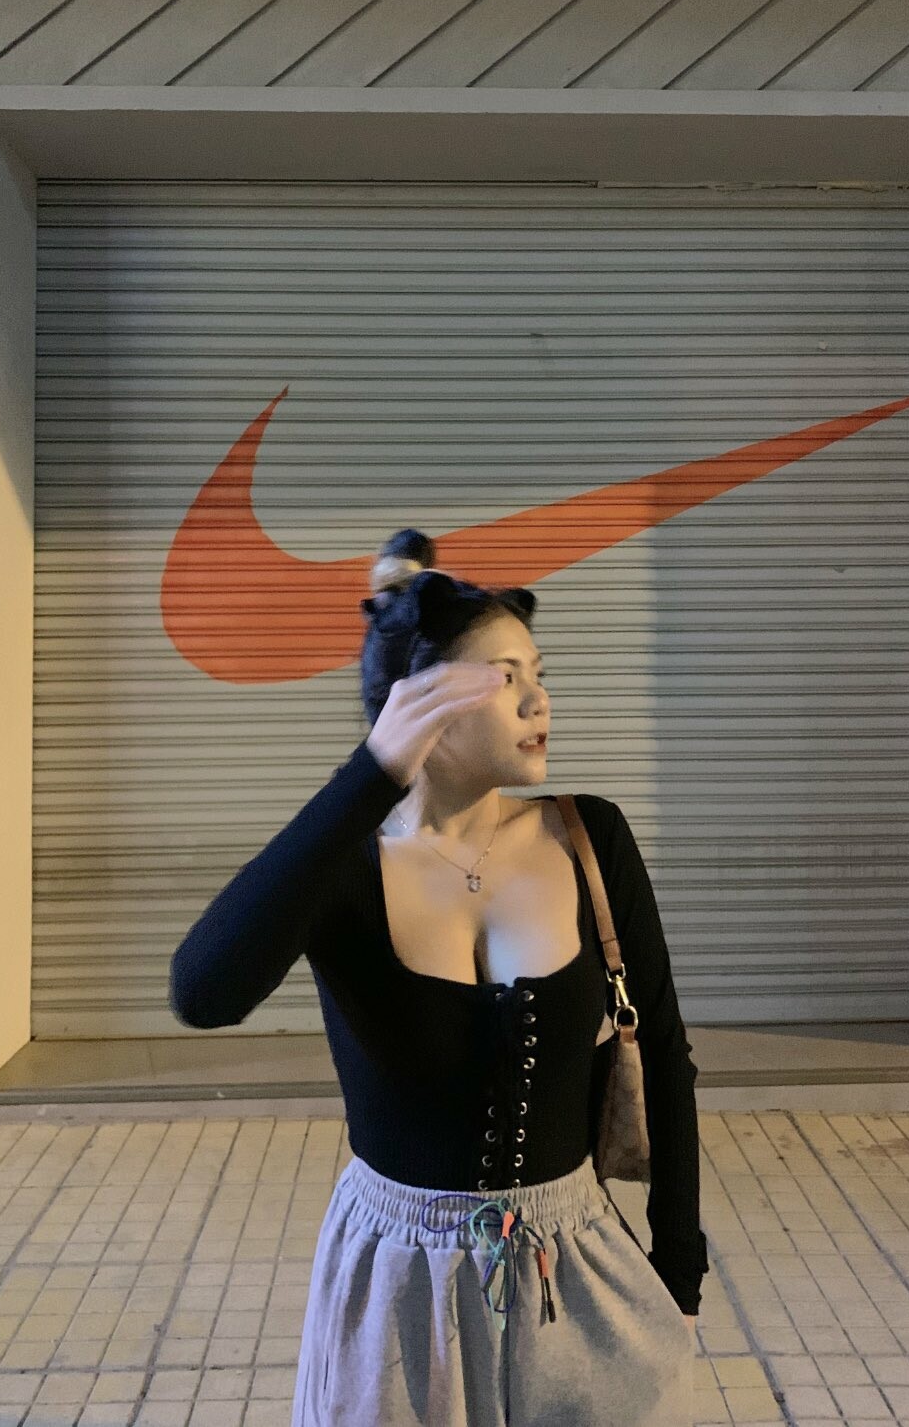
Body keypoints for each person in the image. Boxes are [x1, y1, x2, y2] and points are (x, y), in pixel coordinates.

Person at [169, 527, 708, 1426]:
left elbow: (666, 1058)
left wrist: (679, 1272)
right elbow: (203, 991)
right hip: (397, 1286)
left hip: (576, 1265)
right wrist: (372, 774)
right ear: (418, 703)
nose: (539, 698)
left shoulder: (589, 836)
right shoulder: (344, 867)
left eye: (538, 671)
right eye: (504, 677)